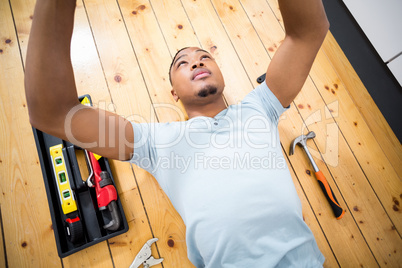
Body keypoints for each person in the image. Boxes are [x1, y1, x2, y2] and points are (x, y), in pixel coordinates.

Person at [25, 0, 329, 267]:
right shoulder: (155, 143)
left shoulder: (261, 106)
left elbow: (308, 32)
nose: (195, 61)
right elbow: (53, 113)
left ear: (220, 72)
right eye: (182, 63)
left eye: (204, 57)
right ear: (174, 92)